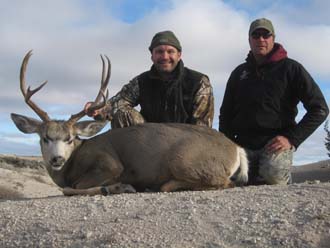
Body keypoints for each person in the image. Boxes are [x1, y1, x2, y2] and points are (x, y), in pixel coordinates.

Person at [219, 18, 329, 185]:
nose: (261, 39)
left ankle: (282, 180)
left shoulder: (292, 69)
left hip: (275, 144)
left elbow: (320, 108)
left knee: (272, 175)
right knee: (224, 178)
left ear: (273, 38)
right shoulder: (239, 73)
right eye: (256, 35)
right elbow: (225, 113)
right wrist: (228, 143)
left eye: (266, 35)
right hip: (242, 145)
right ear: (249, 40)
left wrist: (292, 139)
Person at [86, 30, 214, 128]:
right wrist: (97, 109)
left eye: (170, 51)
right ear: (152, 56)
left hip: (185, 145)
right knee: (123, 113)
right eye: (159, 51)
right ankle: (129, 161)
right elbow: (117, 104)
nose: (165, 56)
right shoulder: (141, 82)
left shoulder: (199, 82)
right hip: (149, 144)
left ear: (179, 55)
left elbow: (202, 130)